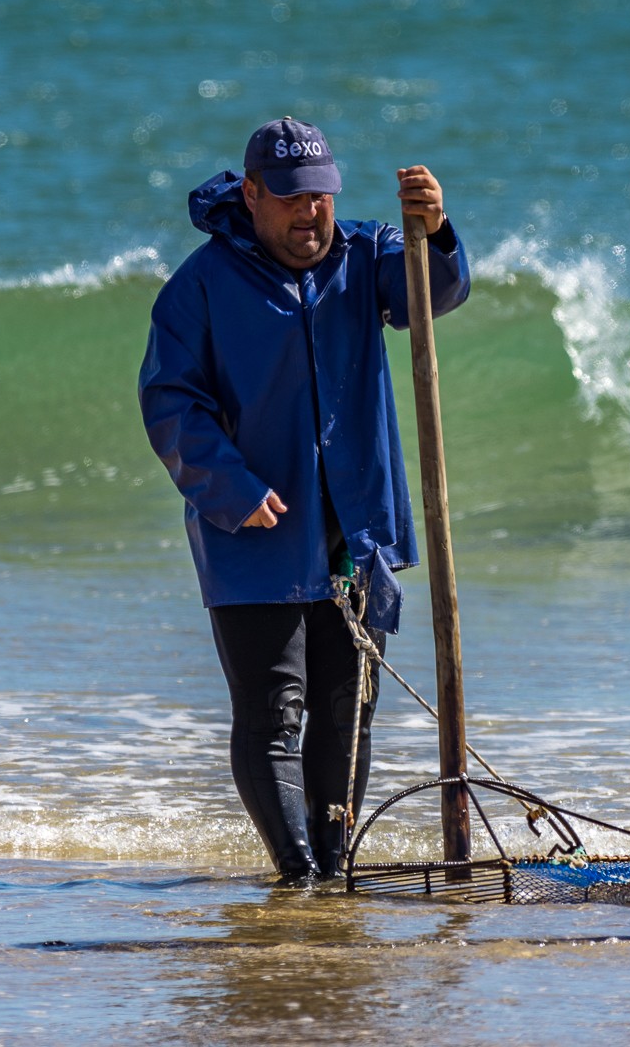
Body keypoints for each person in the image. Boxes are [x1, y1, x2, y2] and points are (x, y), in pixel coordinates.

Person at [138, 117, 471, 880]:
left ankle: (336, 868)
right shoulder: (201, 287)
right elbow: (169, 402)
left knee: (348, 712)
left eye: (319, 196)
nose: (309, 213)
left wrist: (438, 230)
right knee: (273, 717)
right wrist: (231, 487)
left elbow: (433, 293)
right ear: (252, 193)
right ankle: (302, 878)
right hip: (253, 535)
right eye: (290, 198)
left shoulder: (370, 252)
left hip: (358, 536)